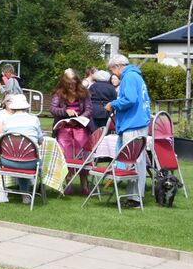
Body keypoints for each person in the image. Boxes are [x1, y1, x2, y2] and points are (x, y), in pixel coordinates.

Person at [105, 54, 152, 199]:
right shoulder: (137, 76)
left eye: (113, 71)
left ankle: (135, 197)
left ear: (117, 67)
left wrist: (113, 104)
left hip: (133, 123)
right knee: (138, 160)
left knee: (133, 161)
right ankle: (136, 195)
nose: (114, 75)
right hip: (140, 121)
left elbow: (130, 99)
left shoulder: (129, 77)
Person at [50, 69, 94, 194]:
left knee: (83, 154)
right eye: (69, 82)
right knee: (66, 154)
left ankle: (84, 183)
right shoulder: (59, 93)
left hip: (81, 127)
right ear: (64, 82)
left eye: (74, 81)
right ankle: (68, 182)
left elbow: (89, 109)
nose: (72, 84)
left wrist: (80, 118)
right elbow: (53, 109)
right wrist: (65, 112)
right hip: (64, 127)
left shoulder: (84, 92)